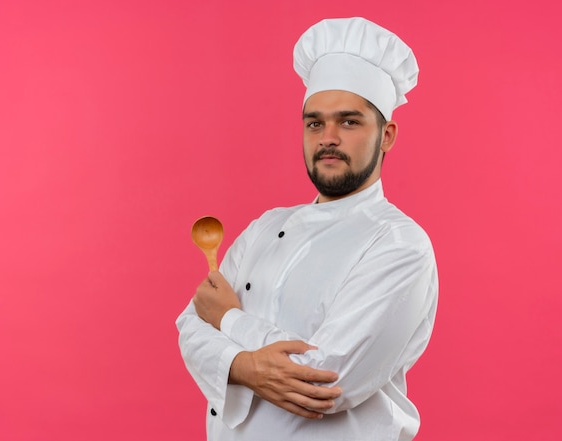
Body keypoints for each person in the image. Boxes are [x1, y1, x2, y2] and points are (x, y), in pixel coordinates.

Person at [176, 17, 438, 441]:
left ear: (386, 135)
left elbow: (325, 382)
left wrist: (228, 320)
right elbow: (191, 327)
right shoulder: (265, 227)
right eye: (315, 122)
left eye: (349, 122)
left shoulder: (398, 244)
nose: (328, 137)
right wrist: (245, 362)